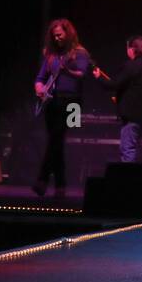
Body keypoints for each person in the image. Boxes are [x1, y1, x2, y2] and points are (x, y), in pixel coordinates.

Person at [33, 19, 92, 197]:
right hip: (53, 101)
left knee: (56, 139)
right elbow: (40, 78)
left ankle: (42, 179)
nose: (57, 38)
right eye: (54, 36)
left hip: (73, 103)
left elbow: (81, 75)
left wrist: (67, 71)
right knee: (56, 141)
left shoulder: (80, 53)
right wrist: (39, 88)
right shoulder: (51, 55)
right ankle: (60, 186)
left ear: (68, 34)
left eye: (60, 34)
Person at [94, 36, 142, 163]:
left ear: (132, 49)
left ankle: (127, 179)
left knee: (127, 149)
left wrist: (99, 77)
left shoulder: (132, 66)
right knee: (135, 148)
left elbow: (114, 84)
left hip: (132, 116)